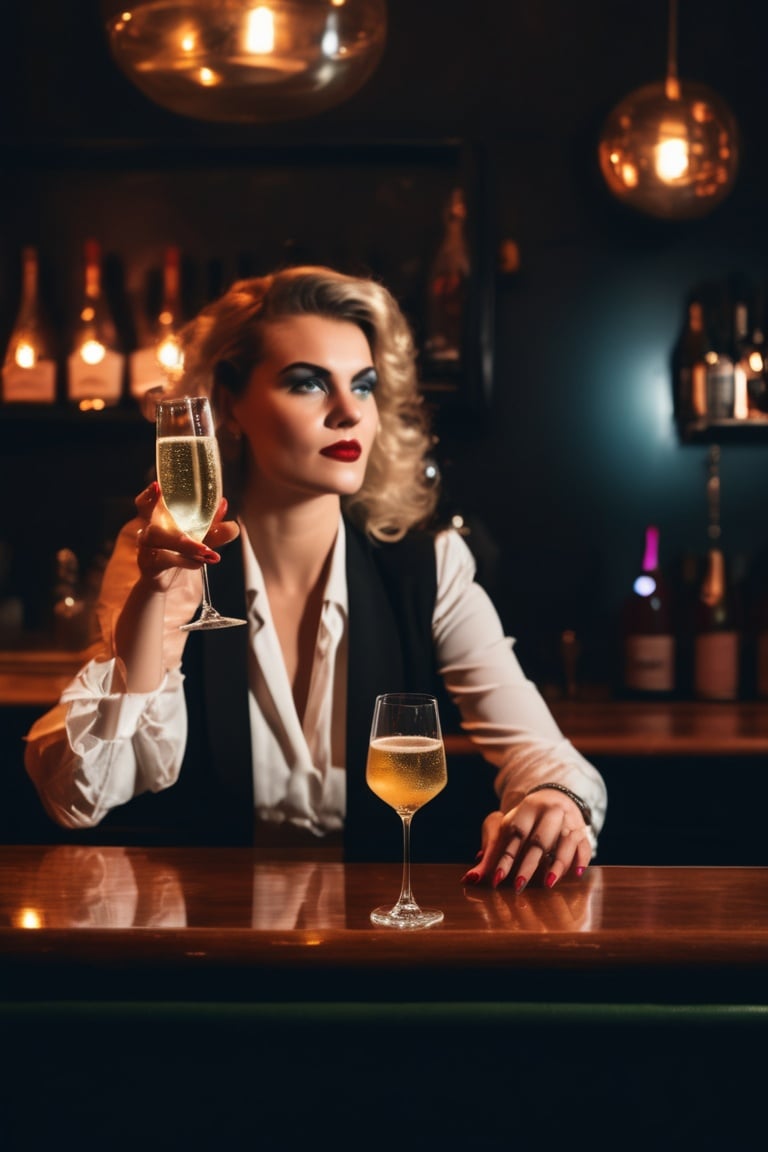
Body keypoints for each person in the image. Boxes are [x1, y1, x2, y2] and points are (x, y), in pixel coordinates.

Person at [24, 265, 606, 890]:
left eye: (364, 385)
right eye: (307, 384)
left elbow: (545, 755)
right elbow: (76, 800)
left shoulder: (429, 566)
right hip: (203, 945)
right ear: (230, 405)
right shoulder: (160, 558)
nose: (348, 413)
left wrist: (554, 800)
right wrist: (154, 608)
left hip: (377, 944)